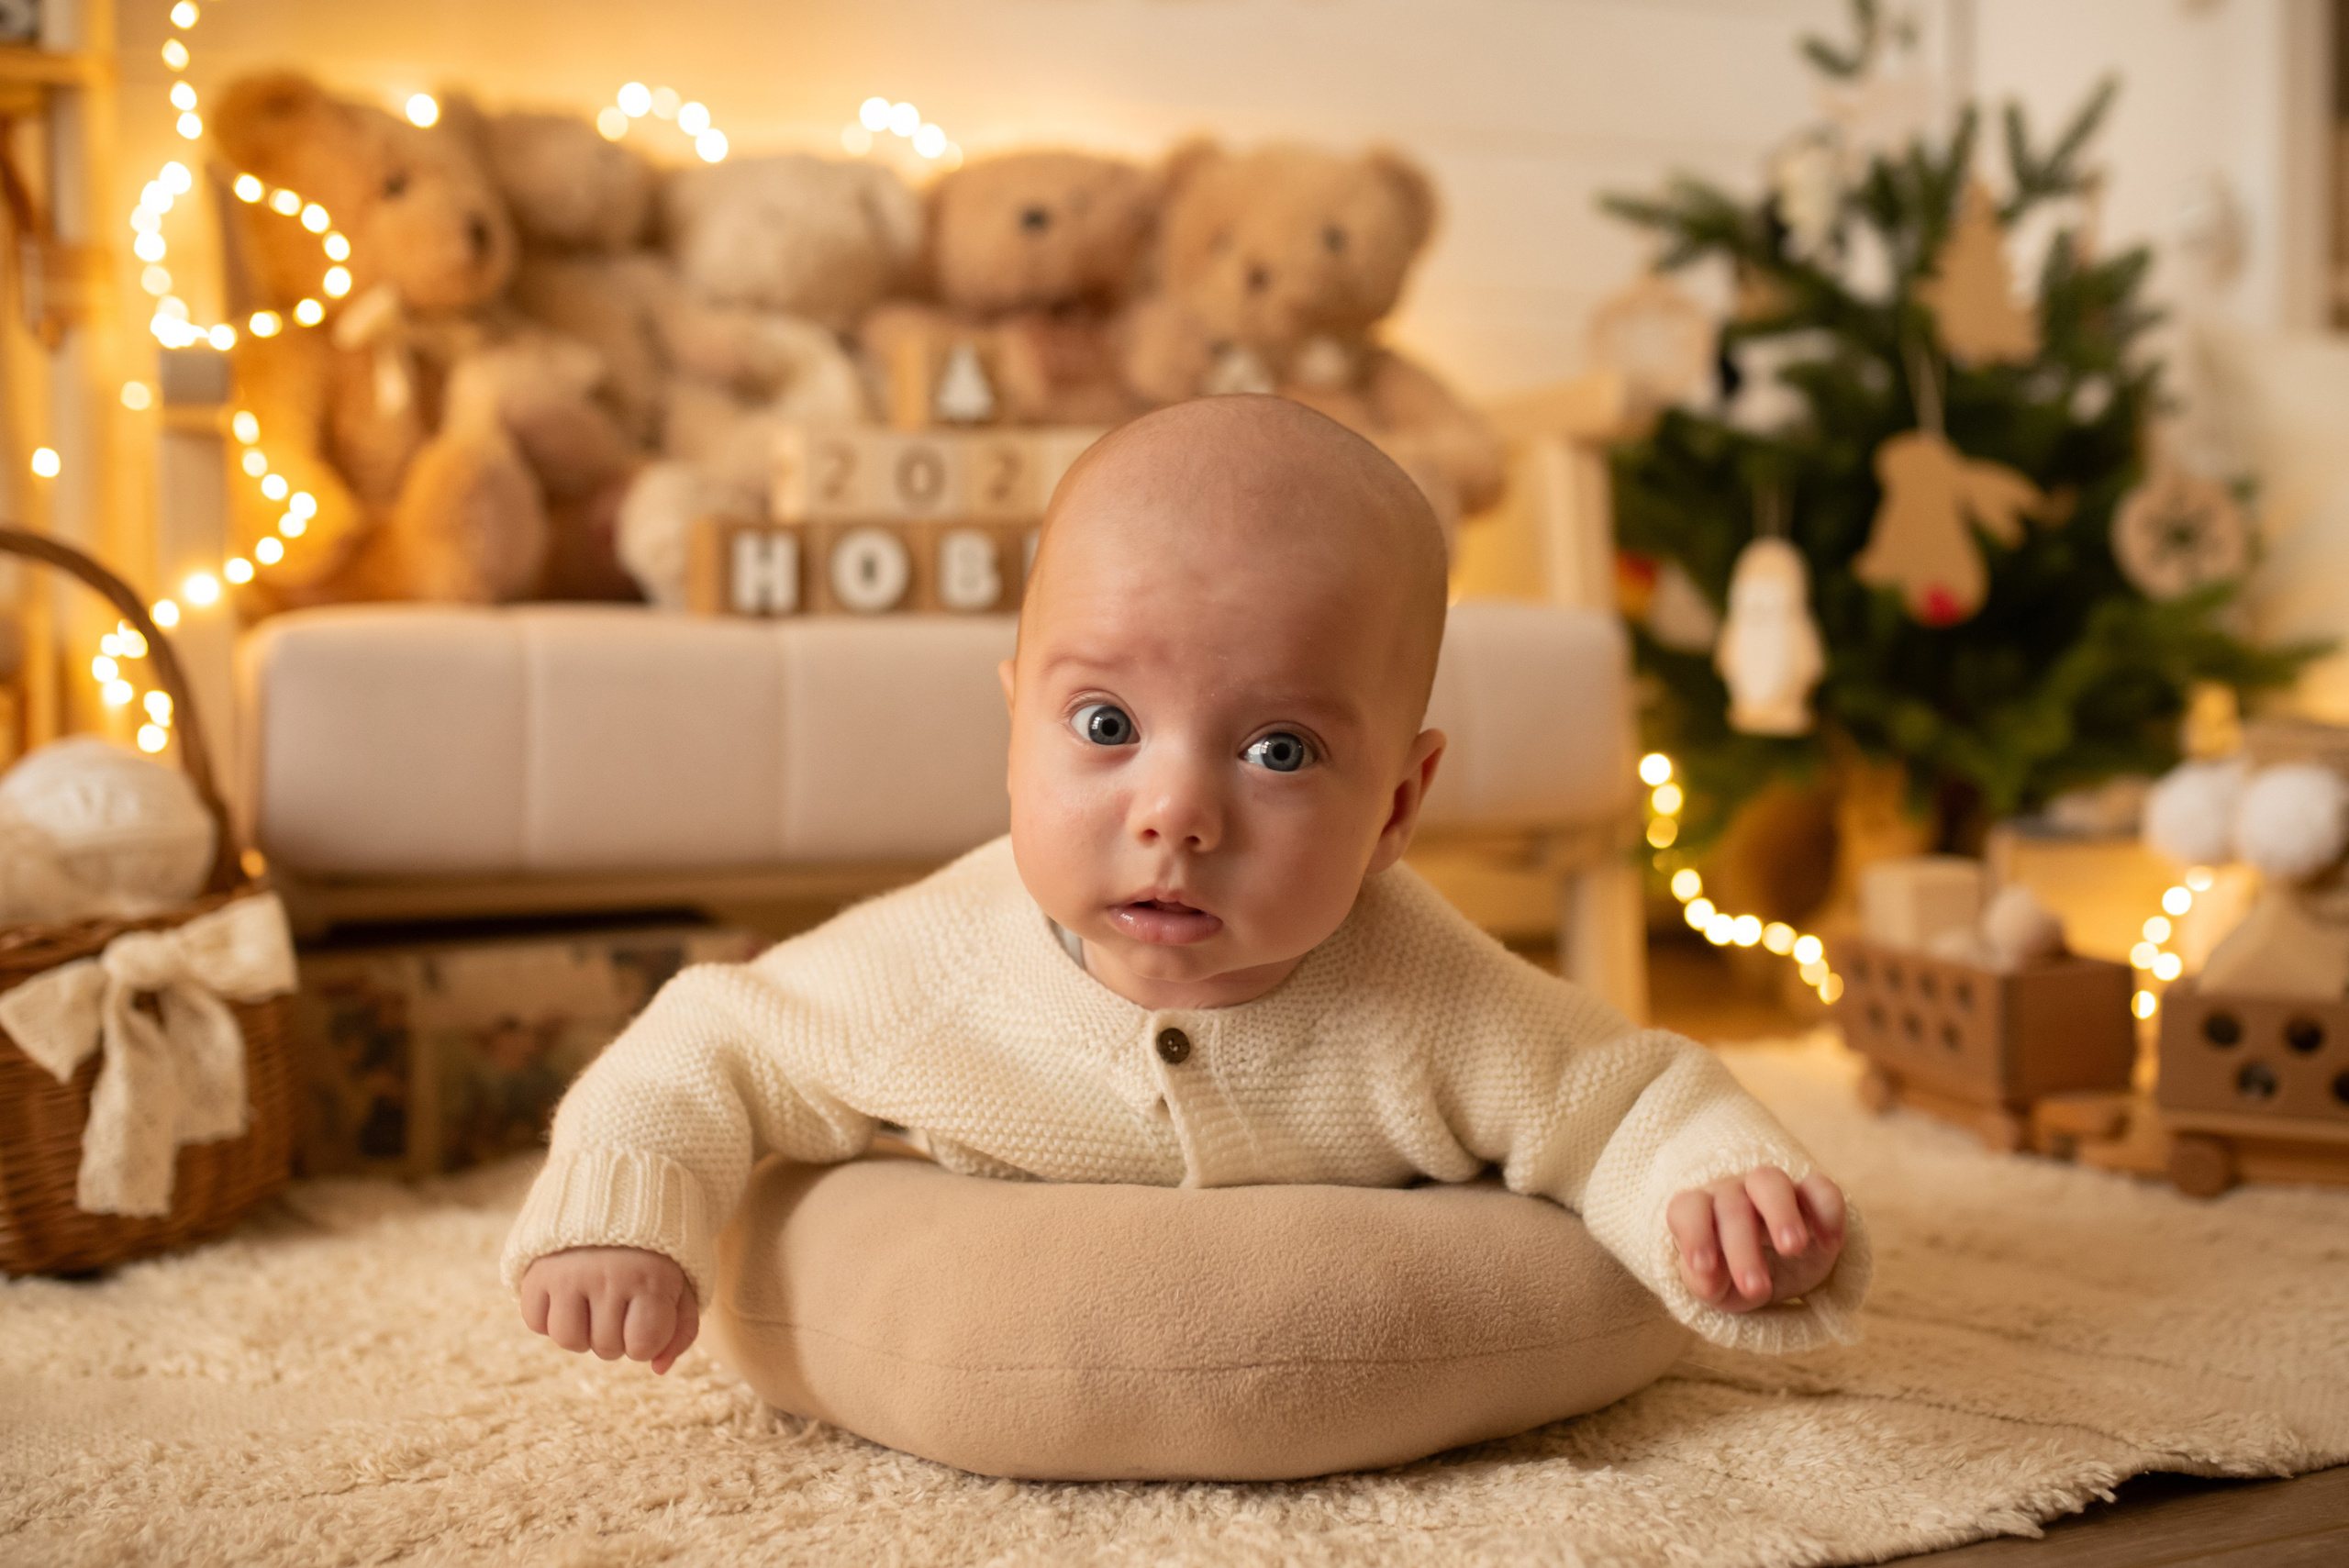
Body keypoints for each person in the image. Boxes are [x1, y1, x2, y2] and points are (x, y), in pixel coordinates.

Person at [507, 395, 1865, 1377]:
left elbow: (1620, 1097)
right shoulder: (929, 974)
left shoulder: (1431, 996)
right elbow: (713, 1041)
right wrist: (622, 1217)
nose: (1176, 815)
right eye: (1103, 726)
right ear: (1013, 729)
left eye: (1279, 750)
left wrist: (1723, 1191)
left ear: (1396, 804)